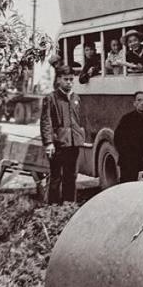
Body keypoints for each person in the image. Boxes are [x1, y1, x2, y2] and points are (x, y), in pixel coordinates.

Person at [40, 65, 85, 204]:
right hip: (58, 144)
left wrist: (81, 137)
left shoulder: (76, 98)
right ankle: (53, 207)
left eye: (71, 79)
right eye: (66, 79)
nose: (69, 82)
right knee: (56, 177)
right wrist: (48, 143)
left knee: (71, 176)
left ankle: (68, 205)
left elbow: (80, 120)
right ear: (59, 79)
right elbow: (46, 122)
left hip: (74, 143)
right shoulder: (51, 98)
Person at [114, 91, 143, 182]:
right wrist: (127, 155)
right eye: (139, 100)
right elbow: (118, 139)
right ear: (134, 103)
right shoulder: (127, 119)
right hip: (129, 162)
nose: (142, 103)